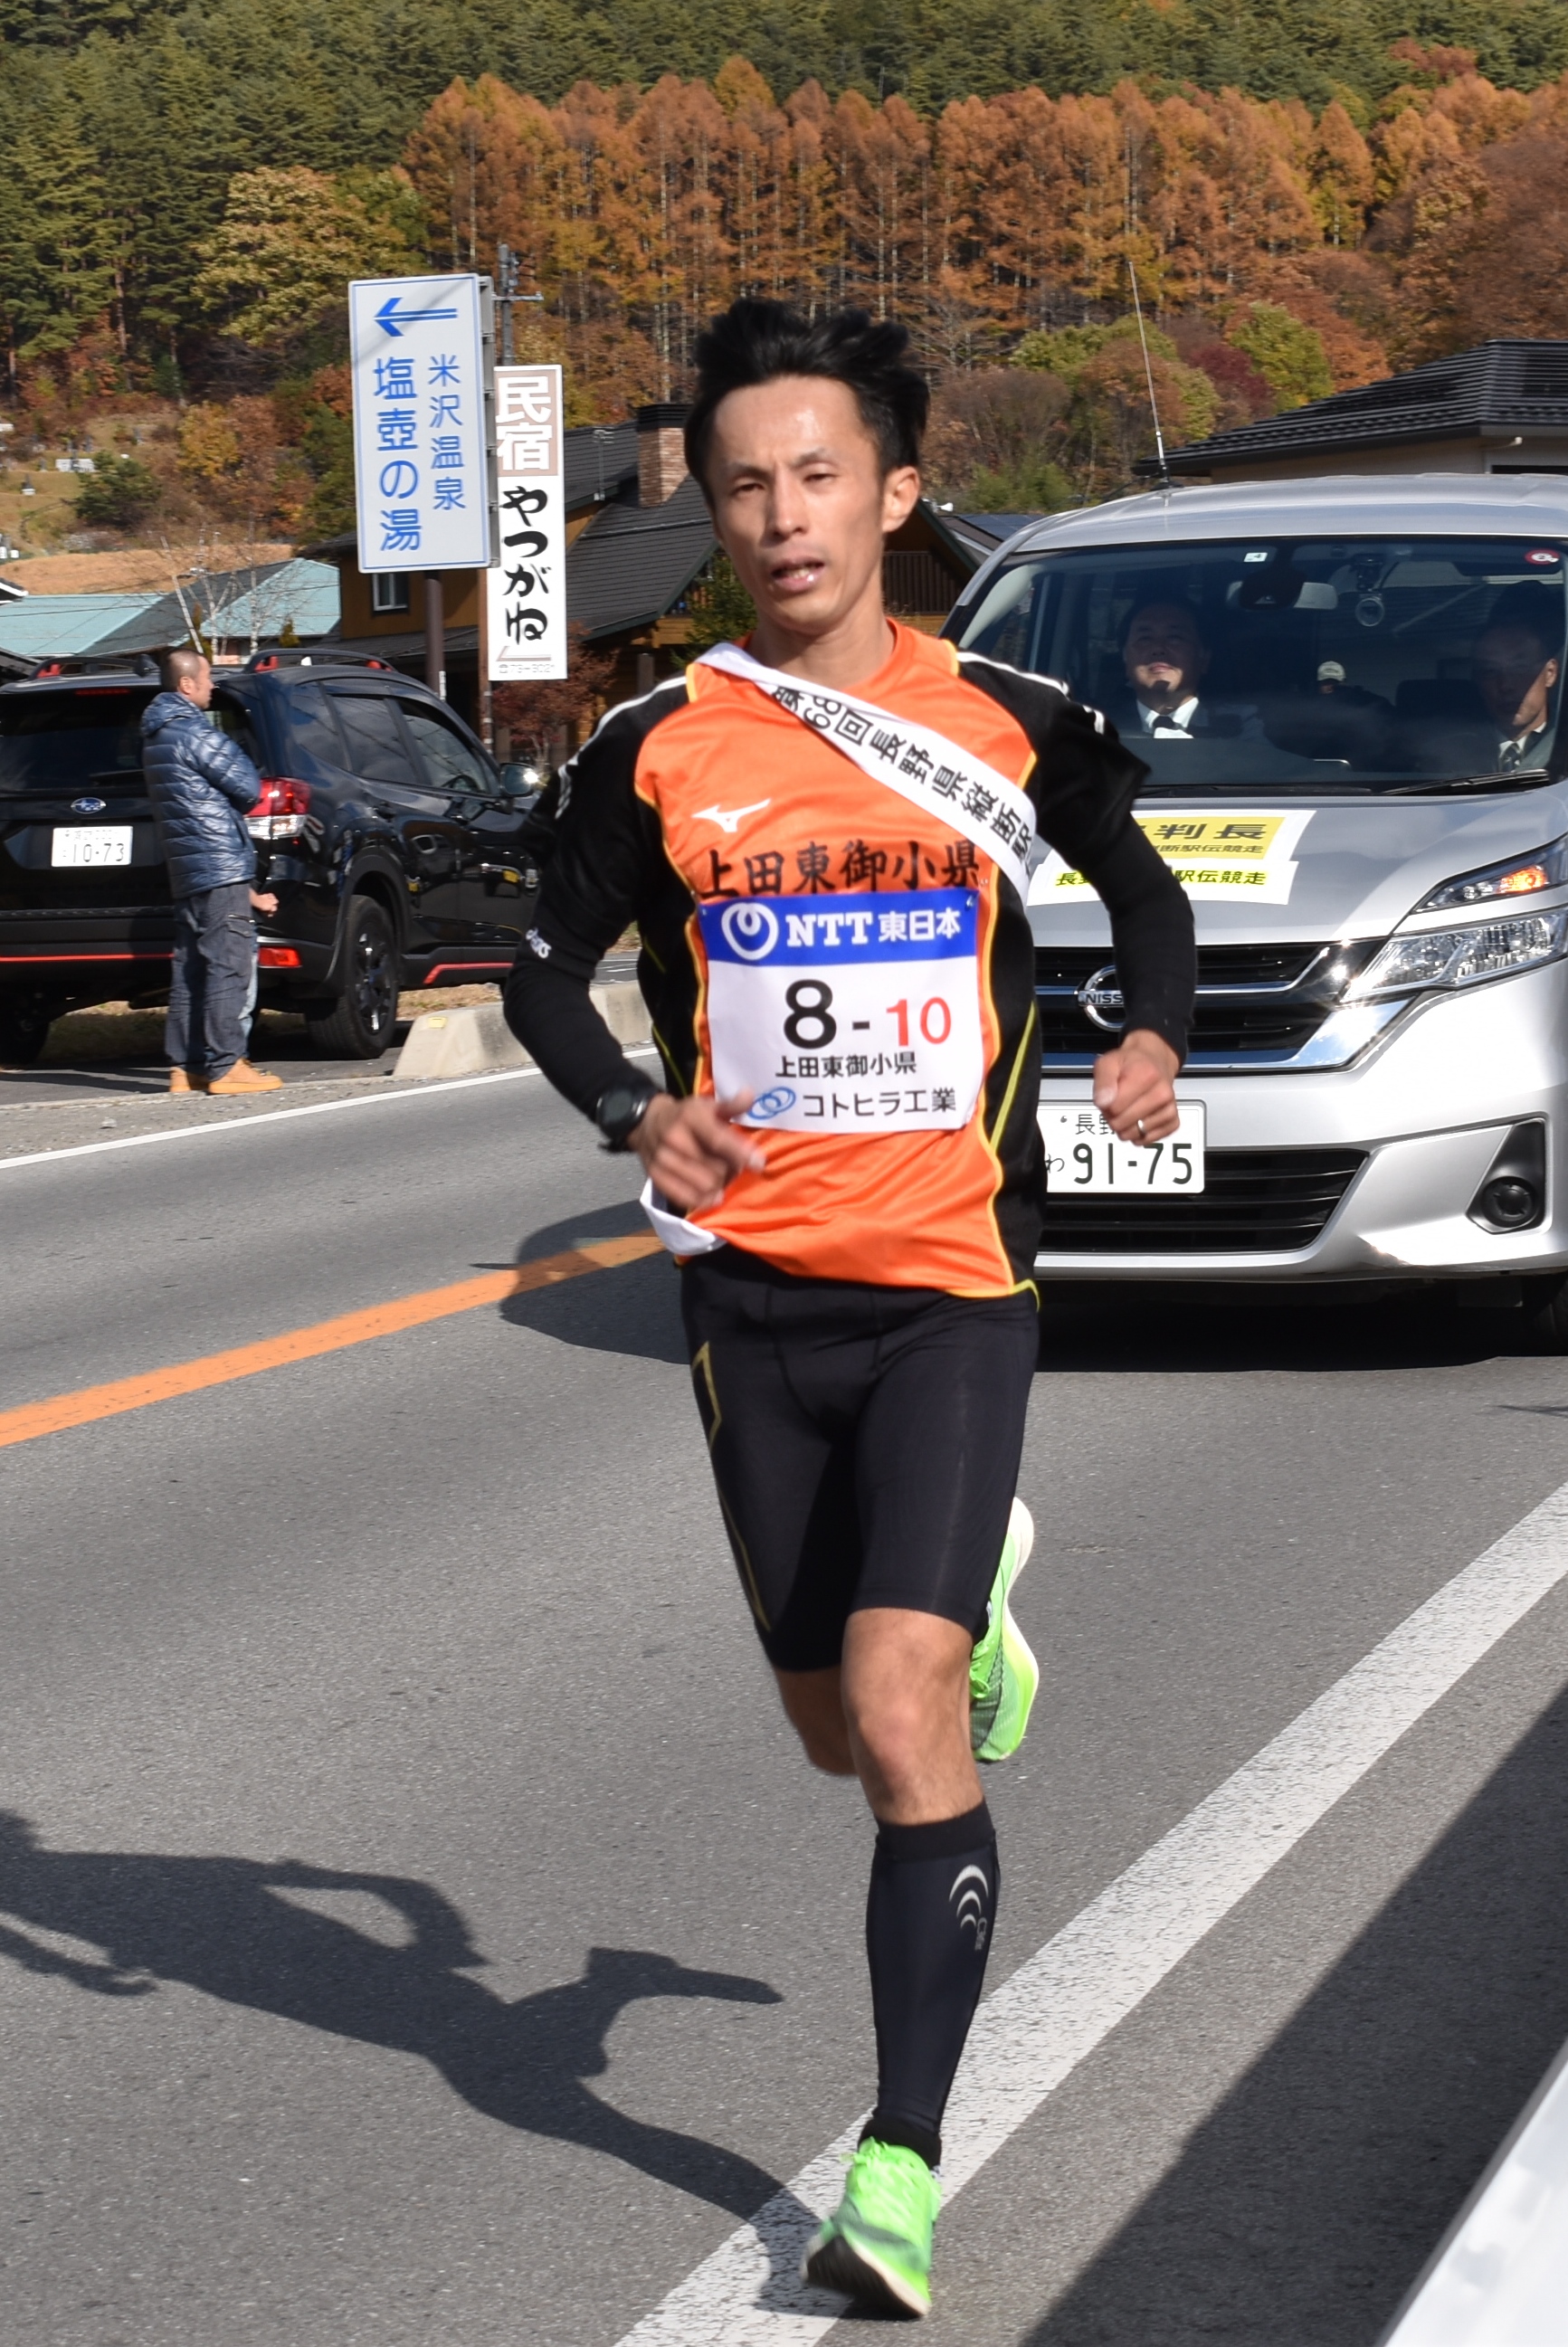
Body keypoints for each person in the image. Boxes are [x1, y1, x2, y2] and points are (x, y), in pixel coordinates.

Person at [504, 299, 1195, 2320]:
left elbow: (1137, 892)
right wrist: (636, 1106)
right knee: (830, 1725)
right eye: (744, 483)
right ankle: (966, 1595)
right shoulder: (657, 747)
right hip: (750, 1307)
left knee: (901, 1715)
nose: (783, 514)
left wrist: (1143, 1030)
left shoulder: (1002, 718)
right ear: (710, 511)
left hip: (954, 1284)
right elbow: (546, 972)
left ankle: (894, 2160)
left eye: (819, 474)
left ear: (895, 490)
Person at [140, 649, 282, 1095]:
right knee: (229, 964)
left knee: (190, 968)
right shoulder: (192, 732)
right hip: (219, 863)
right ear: (186, 685)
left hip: (186, 868)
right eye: (207, 677)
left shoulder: (155, 735)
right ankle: (226, 1065)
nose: (213, 685)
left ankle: (185, 1067)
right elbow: (245, 786)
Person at [1118, 597, 1259, 738]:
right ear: (1125, 658)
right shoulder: (1100, 726)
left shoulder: (1241, 723)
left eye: (1174, 637)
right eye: (1145, 638)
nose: (1158, 648)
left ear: (1204, 658)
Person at [1473, 591, 1563, 771]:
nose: (1505, 685)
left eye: (1520, 668)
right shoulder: (1444, 757)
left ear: (1550, 673)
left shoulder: (1562, 750)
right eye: (1490, 671)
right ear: (1477, 680)